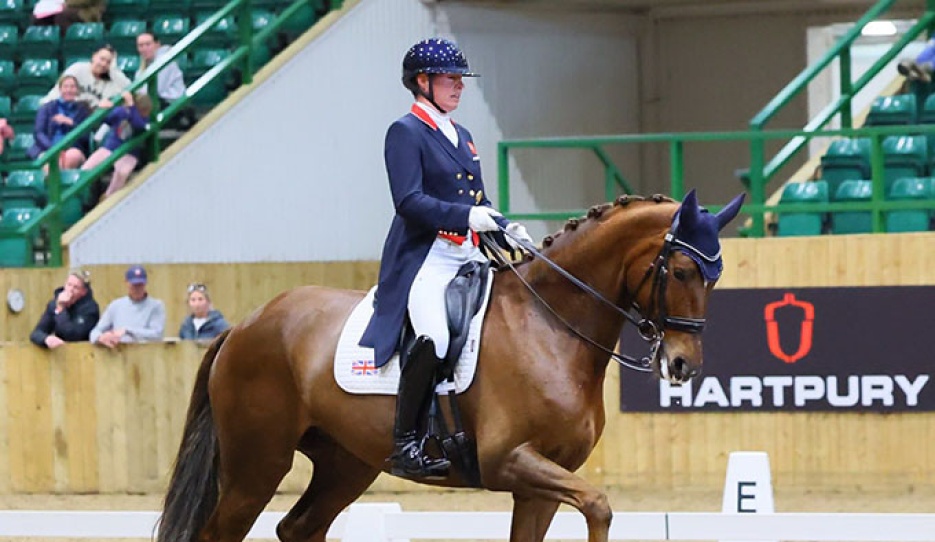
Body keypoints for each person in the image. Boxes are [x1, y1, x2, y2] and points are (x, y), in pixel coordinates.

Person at [358, 38, 534, 479]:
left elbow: (477, 197)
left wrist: (501, 222)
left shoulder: (463, 134)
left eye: (460, 80)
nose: (459, 87)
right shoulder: (405, 131)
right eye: (450, 79)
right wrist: (468, 215)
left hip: (467, 253)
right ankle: (405, 444)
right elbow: (409, 201)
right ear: (423, 82)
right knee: (435, 336)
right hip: (425, 257)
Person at [81, 92, 152, 199]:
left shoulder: (144, 119)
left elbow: (138, 125)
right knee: (86, 168)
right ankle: (84, 198)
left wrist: (132, 107)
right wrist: (102, 109)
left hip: (129, 152)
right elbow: (106, 120)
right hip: (110, 147)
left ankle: (107, 197)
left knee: (122, 173)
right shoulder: (121, 111)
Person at [89, 264, 166, 348]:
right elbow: (95, 332)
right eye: (134, 285)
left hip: (146, 355)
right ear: (126, 283)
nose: (137, 288)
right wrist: (101, 338)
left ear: (145, 283)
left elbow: (157, 334)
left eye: (140, 285)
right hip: (118, 355)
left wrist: (127, 331)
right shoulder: (115, 305)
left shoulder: (156, 306)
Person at [28, 75, 91, 170]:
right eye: (66, 87)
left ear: (77, 90)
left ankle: (65, 183)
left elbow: (86, 136)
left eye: (72, 87)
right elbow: (39, 133)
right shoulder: (47, 108)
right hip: (49, 148)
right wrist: (53, 149)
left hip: (73, 148)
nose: (69, 90)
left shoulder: (83, 109)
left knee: (71, 156)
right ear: (60, 89)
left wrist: (71, 123)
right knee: (49, 161)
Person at [42, 44, 132, 109]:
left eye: (108, 62)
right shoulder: (78, 68)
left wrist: (113, 69)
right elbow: (59, 92)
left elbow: (129, 87)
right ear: (93, 56)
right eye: (102, 59)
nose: (104, 64)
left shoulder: (110, 80)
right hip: (63, 110)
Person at [29, 269, 100, 349]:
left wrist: (60, 309)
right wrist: (45, 339)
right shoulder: (53, 304)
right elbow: (36, 333)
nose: (70, 290)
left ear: (83, 292)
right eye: (69, 285)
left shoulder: (90, 309)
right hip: (59, 354)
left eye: (76, 287)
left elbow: (72, 336)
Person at [135, 32, 186, 106]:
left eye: (148, 44)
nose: (144, 48)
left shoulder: (166, 62)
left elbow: (156, 90)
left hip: (174, 105)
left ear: (157, 45)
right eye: (140, 46)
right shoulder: (142, 66)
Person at [31, 0, 106, 33]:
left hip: (87, 11)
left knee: (62, 16)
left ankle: (66, 40)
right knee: (39, 18)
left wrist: (65, 3)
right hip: (64, 8)